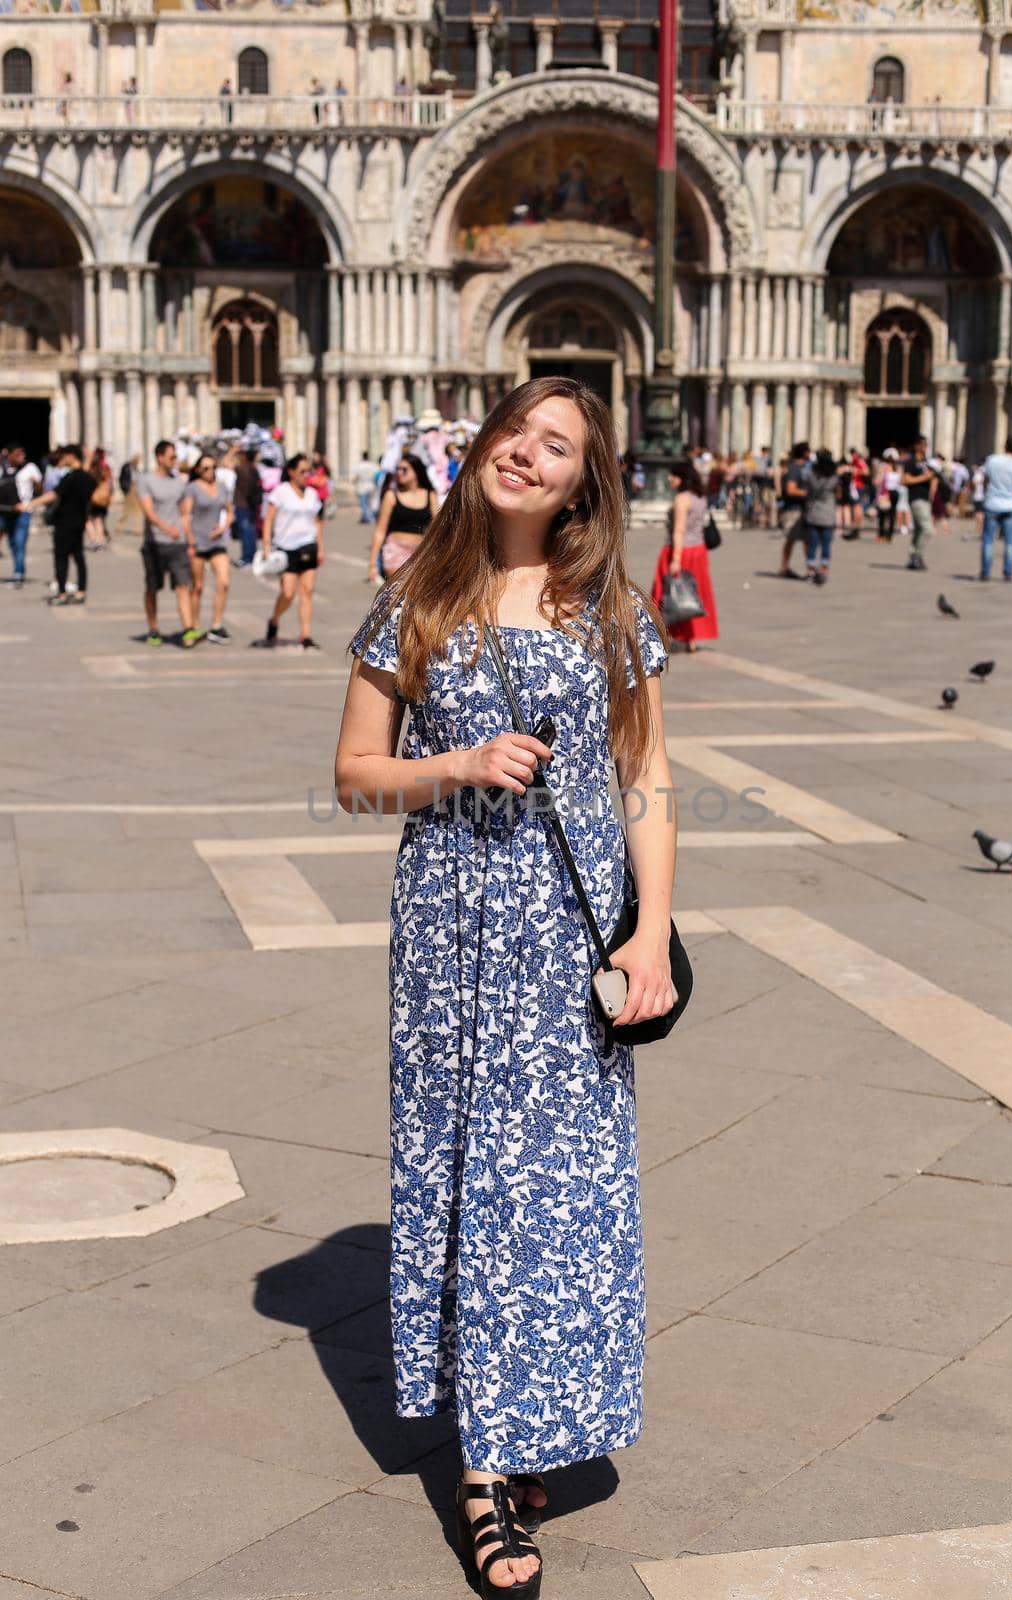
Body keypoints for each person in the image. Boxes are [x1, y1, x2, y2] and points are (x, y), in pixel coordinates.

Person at [335, 376, 677, 1600]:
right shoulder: (416, 593)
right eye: (514, 434)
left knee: (567, 1179)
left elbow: (642, 773)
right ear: (480, 447)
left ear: (583, 482)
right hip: (449, 935)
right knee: (471, 1172)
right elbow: (352, 775)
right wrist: (456, 763)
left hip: (572, 934)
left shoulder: (601, 608)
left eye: (556, 448)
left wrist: (652, 933)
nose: (526, 457)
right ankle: (484, 1467)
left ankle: (536, 1413)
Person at [650, 457, 718, 651]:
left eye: (673, 475)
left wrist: (676, 559)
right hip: (698, 549)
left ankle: (659, 635)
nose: (669, 478)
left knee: (665, 594)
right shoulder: (700, 497)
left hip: (680, 550)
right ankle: (691, 638)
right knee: (692, 593)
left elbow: (679, 530)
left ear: (681, 477)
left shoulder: (682, 499)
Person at [260, 453, 325, 650]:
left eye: (309, 471)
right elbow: (269, 518)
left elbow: (317, 521)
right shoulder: (281, 492)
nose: (307, 475)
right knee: (288, 592)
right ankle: (274, 619)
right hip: (286, 547)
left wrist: (320, 546)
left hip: (308, 545)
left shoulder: (312, 494)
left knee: (307, 591)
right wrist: (266, 545)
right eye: (302, 471)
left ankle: (305, 634)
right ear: (291, 472)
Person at [139, 438, 200, 648]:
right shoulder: (146, 480)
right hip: (154, 543)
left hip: (178, 544)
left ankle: (188, 629)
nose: (175, 460)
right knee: (152, 589)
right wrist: (166, 528)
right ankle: (153, 628)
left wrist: (190, 541)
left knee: (183, 586)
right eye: (172, 456)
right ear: (160, 457)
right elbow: (148, 511)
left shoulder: (179, 483)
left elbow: (184, 514)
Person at [22, 443, 94, 606]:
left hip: (65, 522)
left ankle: (61, 593)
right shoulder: (84, 477)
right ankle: (81, 591)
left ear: (70, 456)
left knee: (61, 558)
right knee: (78, 557)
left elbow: (54, 494)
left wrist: (31, 504)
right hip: (79, 521)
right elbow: (87, 482)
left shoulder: (70, 477)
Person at [181, 453, 234, 644]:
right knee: (197, 586)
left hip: (217, 542)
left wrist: (223, 527)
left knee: (224, 582)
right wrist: (190, 540)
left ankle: (216, 625)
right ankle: (193, 625)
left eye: (213, 467)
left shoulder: (221, 488)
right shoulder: (192, 488)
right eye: (206, 468)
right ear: (197, 470)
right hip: (198, 541)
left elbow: (230, 511)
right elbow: (185, 515)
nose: (210, 471)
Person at [366, 452, 439, 583]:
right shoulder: (391, 496)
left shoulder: (430, 495)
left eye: (404, 469)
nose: (399, 473)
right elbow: (380, 530)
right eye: (397, 469)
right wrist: (372, 564)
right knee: (398, 592)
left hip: (421, 552)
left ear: (416, 472)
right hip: (395, 550)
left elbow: (437, 528)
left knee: (417, 597)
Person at [979, 435, 1012, 582]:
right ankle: (1008, 572)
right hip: (1010, 505)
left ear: (1004, 446)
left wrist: (989, 490)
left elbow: (985, 480)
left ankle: (986, 572)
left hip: (992, 503)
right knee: (1010, 541)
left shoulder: (992, 460)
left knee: (988, 540)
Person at [802, 447, 843, 585]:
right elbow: (839, 493)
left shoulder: (811, 474)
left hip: (813, 512)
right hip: (828, 513)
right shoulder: (834, 476)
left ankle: (810, 571)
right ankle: (824, 569)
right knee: (826, 544)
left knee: (812, 544)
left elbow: (806, 488)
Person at [1, 444, 39, 589]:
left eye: (23, 454)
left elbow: (41, 488)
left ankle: (18, 572)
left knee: (20, 541)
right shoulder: (2, 468)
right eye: (17, 454)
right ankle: (18, 569)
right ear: (9, 455)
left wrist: (37, 485)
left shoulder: (30, 468)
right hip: (6, 511)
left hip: (24, 511)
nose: (21, 457)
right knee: (12, 542)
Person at [901, 436, 935, 571]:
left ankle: (914, 557)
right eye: (922, 445)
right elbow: (905, 480)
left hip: (925, 498)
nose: (925, 447)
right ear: (916, 446)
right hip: (916, 497)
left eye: (926, 445)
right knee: (927, 529)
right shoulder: (910, 462)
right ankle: (916, 554)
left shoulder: (926, 462)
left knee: (919, 529)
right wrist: (924, 477)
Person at [778, 440, 810, 578]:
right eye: (809, 450)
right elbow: (791, 490)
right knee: (791, 539)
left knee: (807, 540)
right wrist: (809, 494)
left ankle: (810, 569)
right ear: (804, 452)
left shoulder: (805, 468)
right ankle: (784, 568)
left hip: (804, 509)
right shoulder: (794, 468)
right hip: (793, 509)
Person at [232, 448, 262, 567]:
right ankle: (252, 556)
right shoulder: (254, 469)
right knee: (251, 531)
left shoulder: (242, 469)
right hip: (252, 504)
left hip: (243, 504)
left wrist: (232, 450)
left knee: (245, 532)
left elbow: (225, 463)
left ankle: (247, 557)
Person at [354, 453, 378, 525]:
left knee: (364, 504)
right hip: (371, 486)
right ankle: (364, 517)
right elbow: (376, 476)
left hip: (362, 487)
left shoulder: (359, 466)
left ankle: (370, 518)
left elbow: (356, 477)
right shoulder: (373, 466)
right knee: (369, 503)